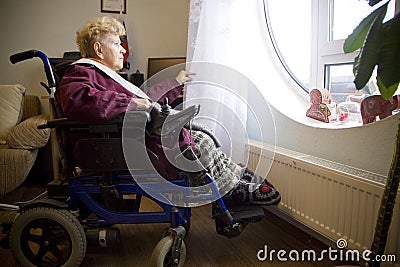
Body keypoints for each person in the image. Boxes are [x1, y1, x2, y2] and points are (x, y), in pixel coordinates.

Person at [56, 16, 281, 206]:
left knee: (201, 137)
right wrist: (132, 104)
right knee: (198, 144)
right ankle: (231, 190)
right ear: (98, 49)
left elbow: (146, 100)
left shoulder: (105, 76)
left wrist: (176, 83)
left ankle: (235, 177)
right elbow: (77, 100)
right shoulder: (82, 71)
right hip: (115, 146)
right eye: (116, 44)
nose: (123, 50)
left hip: (130, 140)